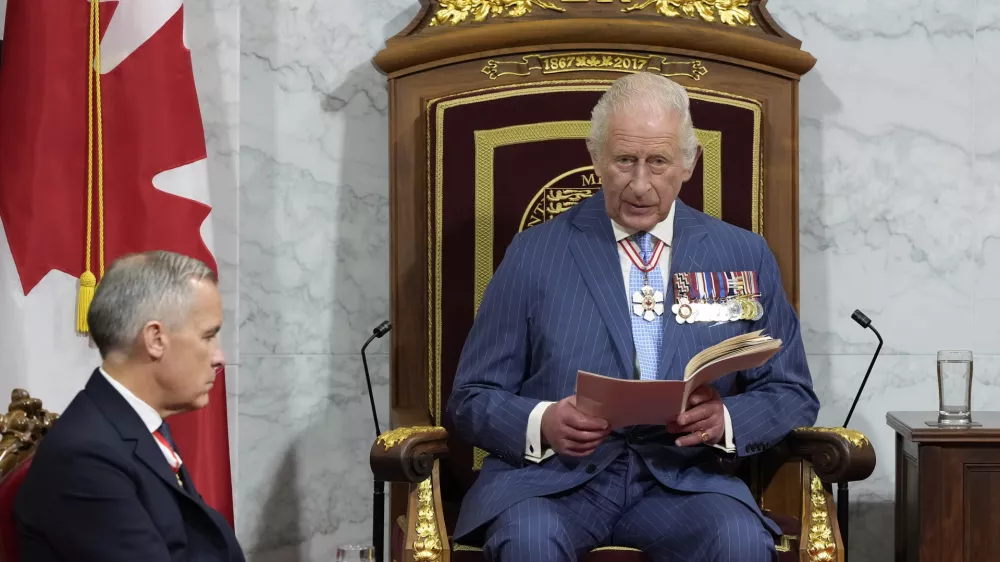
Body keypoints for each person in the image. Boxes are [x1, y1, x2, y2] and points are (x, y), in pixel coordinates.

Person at [446, 73, 819, 562]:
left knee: (740, 540)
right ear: (596, 157)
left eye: (658, 161)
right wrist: (543, 422)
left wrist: (726, 419)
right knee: (529, 539)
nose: (640, 185)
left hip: (683, 483)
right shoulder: (534, 252)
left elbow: (791, 391)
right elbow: (471, 397)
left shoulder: (742, 254)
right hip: (552, 484)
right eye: (625, 160)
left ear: (688, 162)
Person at [14, 251, 245, 562]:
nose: (219, 358)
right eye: (208, 336)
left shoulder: (132, 426)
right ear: (155, 339)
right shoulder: (84, 457)